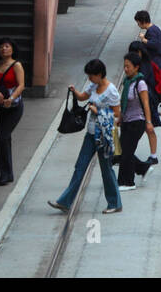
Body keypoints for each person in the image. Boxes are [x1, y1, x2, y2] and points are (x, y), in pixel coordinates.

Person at [48, 59, 122, 214]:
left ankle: (115, 203)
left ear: (99, 74)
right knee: (80, 167)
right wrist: (75, 92)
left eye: (91, 75)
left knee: (106, 170)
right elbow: (83, 97)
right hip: (91, 133)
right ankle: (65, 202)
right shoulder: (93, 86)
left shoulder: (111, 91)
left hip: (105, 136)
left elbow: (117, 114)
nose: (89, 78)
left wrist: (99, 112)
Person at [0, 37, 25, 185]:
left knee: (2, 138)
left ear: (12, 49)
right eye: (1, 47)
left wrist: (12, 98)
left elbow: (21, 85)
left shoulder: (17, 65)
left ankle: (5, 173)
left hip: (14, 107)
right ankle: (7, 174)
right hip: (0, 107)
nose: (4, 49)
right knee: (5, 139)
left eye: (7, 46)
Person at [115, 52, 155, 191]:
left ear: (136, 67)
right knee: (123, 151)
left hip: (137, 122)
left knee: (126, 152)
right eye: (124, 66)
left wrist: (149, 122)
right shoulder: (127, 82)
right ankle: (143, 168)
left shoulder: (140, 83)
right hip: (126, 122)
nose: (125, 69)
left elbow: (146, 104)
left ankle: (127, 182)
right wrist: (120, 118)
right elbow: (123, 103)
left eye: (128, 66)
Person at [129, 40, 161, 163]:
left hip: (147, 101)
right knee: (144, 128)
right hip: (137, 103)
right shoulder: (134, 65)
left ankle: (153, 156)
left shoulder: (145, 65)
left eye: (136, 52)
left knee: (148, 128)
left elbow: (145, 84)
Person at [135, 10, 161, 115]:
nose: (138, 25)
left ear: (142, 21)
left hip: (156, 63)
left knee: (159, 85)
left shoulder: (152, 31)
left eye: (138, 22)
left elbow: (155, 45)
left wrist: (144, 40)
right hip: (159, 62)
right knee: (159, 85)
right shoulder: (155, 28)